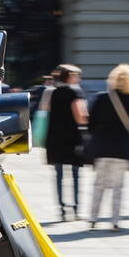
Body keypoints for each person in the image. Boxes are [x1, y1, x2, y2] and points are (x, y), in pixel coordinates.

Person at [84, 64, 129, 231]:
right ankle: (115, 221)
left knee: (98, 186)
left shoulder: (101, 98)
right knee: (118, 187)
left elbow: (90, 125)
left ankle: (93, 219)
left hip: (102, 148)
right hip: (122, 149)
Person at [45, 64, 88, 221]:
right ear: (70, 76)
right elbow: (80, 116)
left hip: (55, 137)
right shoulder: (75, 91)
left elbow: (47, 110)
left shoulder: (53, 92)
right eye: (77, 75)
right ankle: (76, 209)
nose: (79, 78)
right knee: (76, 174)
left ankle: (62, 210)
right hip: (72, 137)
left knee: (59, 174)